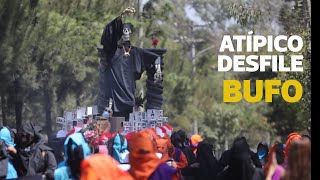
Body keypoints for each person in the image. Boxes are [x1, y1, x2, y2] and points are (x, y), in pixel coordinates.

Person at [97, 7, 163, 119]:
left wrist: (157, 69)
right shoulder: (113, 51)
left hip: (128, 95)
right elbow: (108, 36)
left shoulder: (136, 52)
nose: (126, 33)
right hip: (114, 97)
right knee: (112, 121)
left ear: (131, 33)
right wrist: (120, 17)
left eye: (128, 31)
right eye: (123, 30)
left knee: (127, 122)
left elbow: (155, 58)